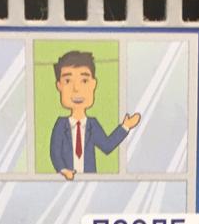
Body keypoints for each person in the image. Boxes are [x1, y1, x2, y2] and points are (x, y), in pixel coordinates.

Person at [48, 50, 140, 179]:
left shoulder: (92, 125)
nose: (76, 89)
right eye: (68, 81)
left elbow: (107, 146)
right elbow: (55, 152)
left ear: (93, 84)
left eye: (84, 81)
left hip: (89, 182)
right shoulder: (60, 125)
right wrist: (63, 170)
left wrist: (125, 126)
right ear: (59, 86)